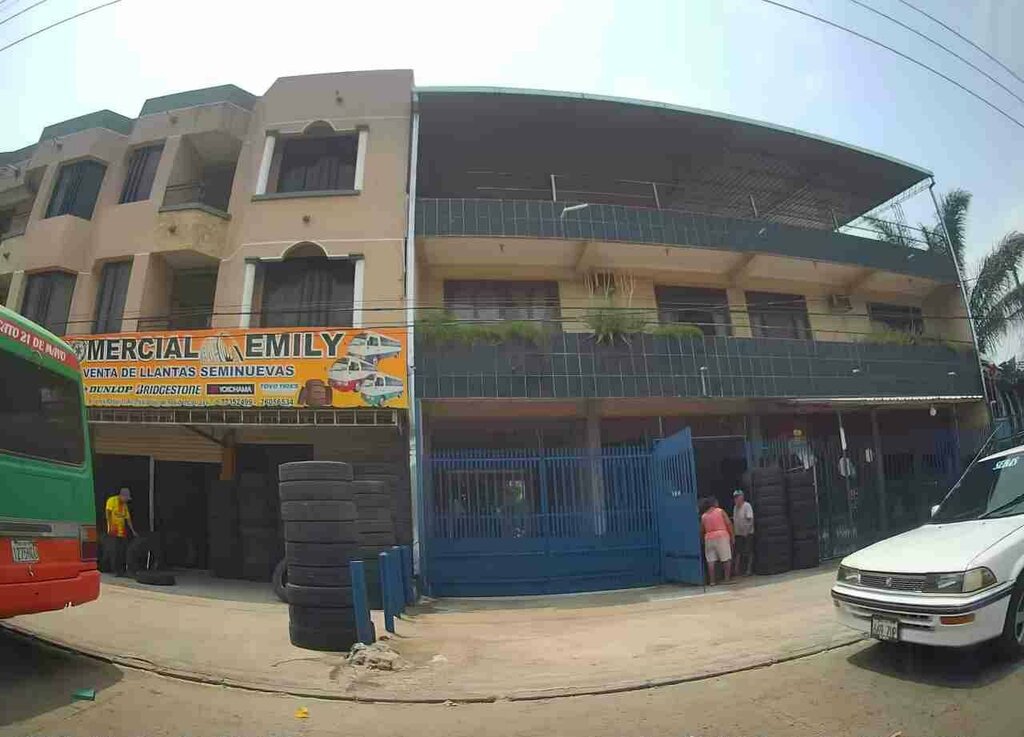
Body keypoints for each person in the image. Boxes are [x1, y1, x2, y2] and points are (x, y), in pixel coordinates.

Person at [700, 495, 734, 585]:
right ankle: (727, 579)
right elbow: (729, 523)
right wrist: (732, 536)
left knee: (711, 560)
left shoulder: (704, 516)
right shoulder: (720, 511)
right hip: (721, 536)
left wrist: (703, 540)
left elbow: (702, 530)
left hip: (708, 537)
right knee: (726, 558)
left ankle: (712, 581)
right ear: (714, 503)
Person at [104, 487, 136, 576]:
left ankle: (122, 570)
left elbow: (128, 519)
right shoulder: (111, 501)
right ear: (122, 496)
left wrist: (133, 531)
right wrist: (110, 527)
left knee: (122, 551)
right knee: (114, 551)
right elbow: (108, 513)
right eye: (126, 498)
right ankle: (115, 570)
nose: (126, 501)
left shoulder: (124, 505)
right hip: (113, 531)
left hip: (122, 532)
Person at [732, 489, 755, 576]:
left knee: (749, 551)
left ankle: (749, 570)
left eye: (737, 497)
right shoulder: (735, 508)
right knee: (738, 552)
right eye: (735, 498)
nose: (736, 499)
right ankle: (736, 570)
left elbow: (750, 520)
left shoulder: (747, 506)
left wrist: (747, 531)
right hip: (739, 534)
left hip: (747, 533)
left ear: (742, 497)